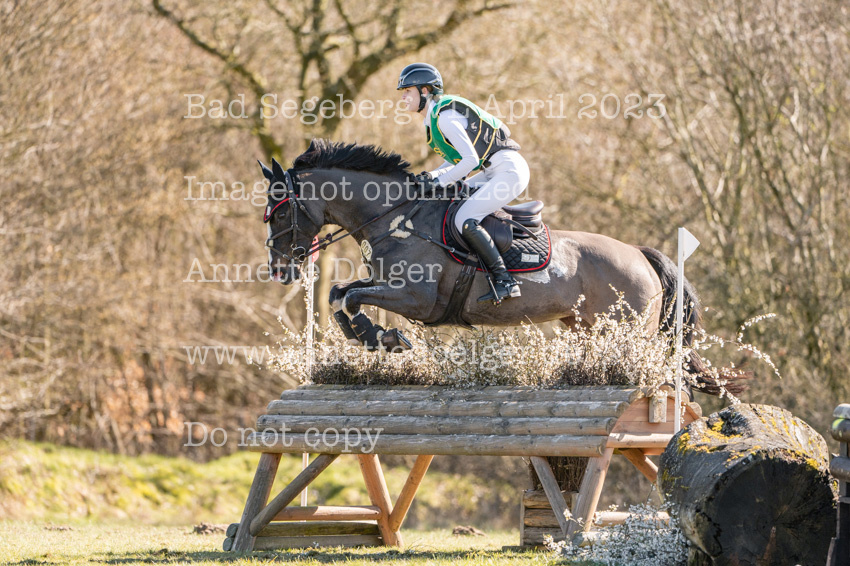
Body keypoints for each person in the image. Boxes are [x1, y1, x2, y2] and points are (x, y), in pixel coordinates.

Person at [397, 62, 529, 303]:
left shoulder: (445, 118)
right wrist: (431, 177)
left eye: (408, 91)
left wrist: (439, 181)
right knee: (450, 205)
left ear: (425, 91)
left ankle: (505, 280)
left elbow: (470, 161)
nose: (403, 97)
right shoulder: (434, 118)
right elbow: (455, 162)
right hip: (493, 171)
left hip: (508, 171)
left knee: (464, 219)